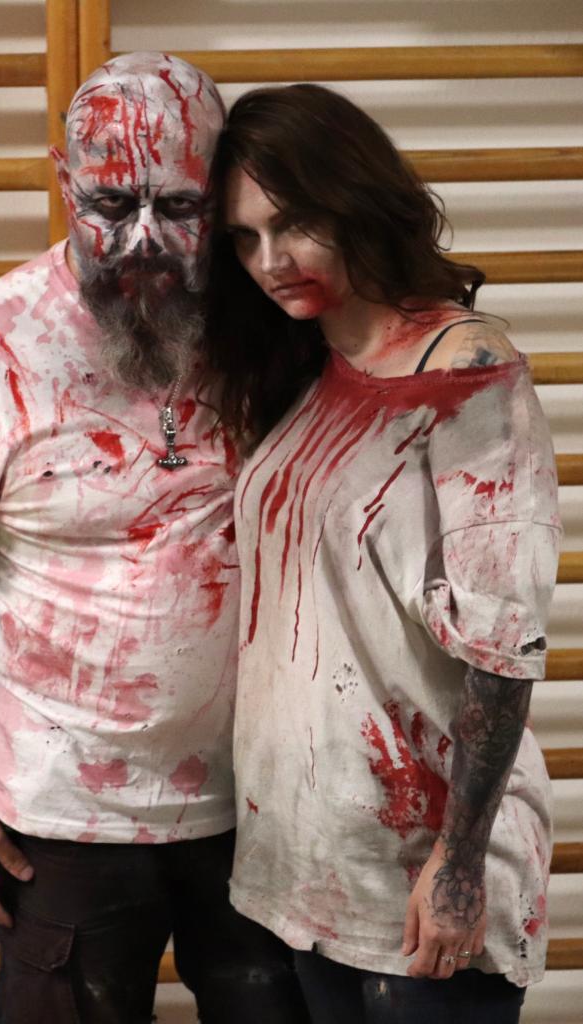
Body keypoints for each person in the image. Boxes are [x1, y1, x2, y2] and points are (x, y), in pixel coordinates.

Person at [0, 53, 309, 1024]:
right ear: (64, 180)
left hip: (261, 805)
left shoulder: (274, 323)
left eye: (179, 205)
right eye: (110, 203)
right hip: (55, 822)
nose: (142, 239)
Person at [202, 83, 561, 1023]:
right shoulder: (308, 370)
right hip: (305, 864)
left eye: (295, 223)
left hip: (420, 873)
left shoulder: (466, 372)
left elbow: (501, 646)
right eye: (243, 237)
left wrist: (459, 866)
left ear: (355, 200)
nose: (269, 261)